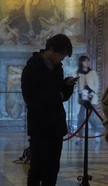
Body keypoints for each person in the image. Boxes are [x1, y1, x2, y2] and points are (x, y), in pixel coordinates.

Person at [21, 34, 78, 186]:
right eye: (62, 55)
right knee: (37, 168)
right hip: (40, 126)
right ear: (51, 49)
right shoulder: (32, 67)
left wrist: (67, 85)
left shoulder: (57, 68)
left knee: (53, 169)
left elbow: (60, 95)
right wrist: (56, 95)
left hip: (56, 125)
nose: (63, 59)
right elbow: (30, 97)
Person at [76, 55, 101, 133]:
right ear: (81, 62)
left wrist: (93, 92)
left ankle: (96, 133)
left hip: (91, 96)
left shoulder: (92, 72)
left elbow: (97, 84)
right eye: (85, 61)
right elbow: (75, 84)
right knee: (80, 117)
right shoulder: (77, 72)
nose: (87, 62)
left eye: (88, 61)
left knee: (90, 117)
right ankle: (79, 135)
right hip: (82, 97)